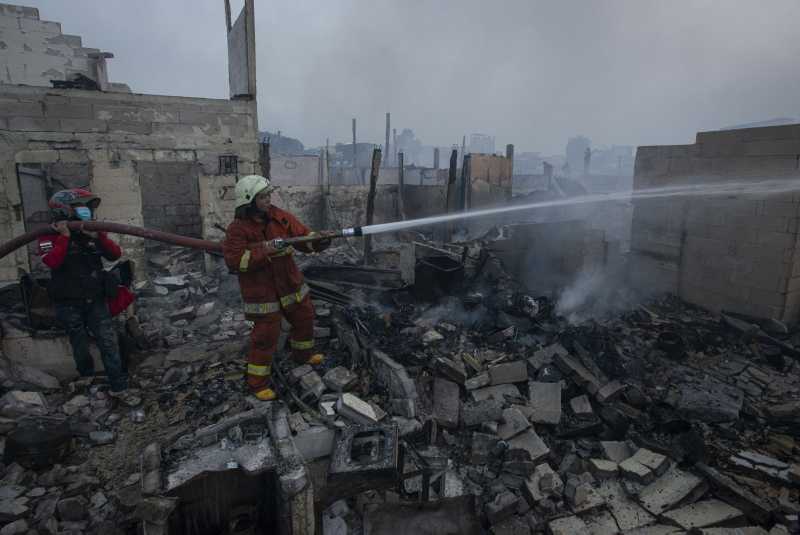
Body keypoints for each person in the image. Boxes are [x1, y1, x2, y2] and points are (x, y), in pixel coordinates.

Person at [223, 175, 330, 401]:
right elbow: (235, 261)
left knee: (304, 317)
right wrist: (266, 251)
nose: (268, 200)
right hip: (261, 291)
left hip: (290, 283)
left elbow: (303, 237)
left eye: (268, 195)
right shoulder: (238, 229)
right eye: (262, 197)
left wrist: (319, 240)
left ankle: (303, 356)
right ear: (249, 201)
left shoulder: (279, 217)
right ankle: (258, 383)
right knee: (265, 336)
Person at [37, 188, 140, 407]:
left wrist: (99, 237)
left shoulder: (91, 232)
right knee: (79, 343)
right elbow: (51, 262)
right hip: (67, 301)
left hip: (94, 299)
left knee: (108, 342)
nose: (87, 211)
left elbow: (115, 254)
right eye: (81, 206)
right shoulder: (48, 235)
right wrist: (64, 238)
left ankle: (119, 386)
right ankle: (87, 378)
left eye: (88, 207)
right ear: (65, 209)